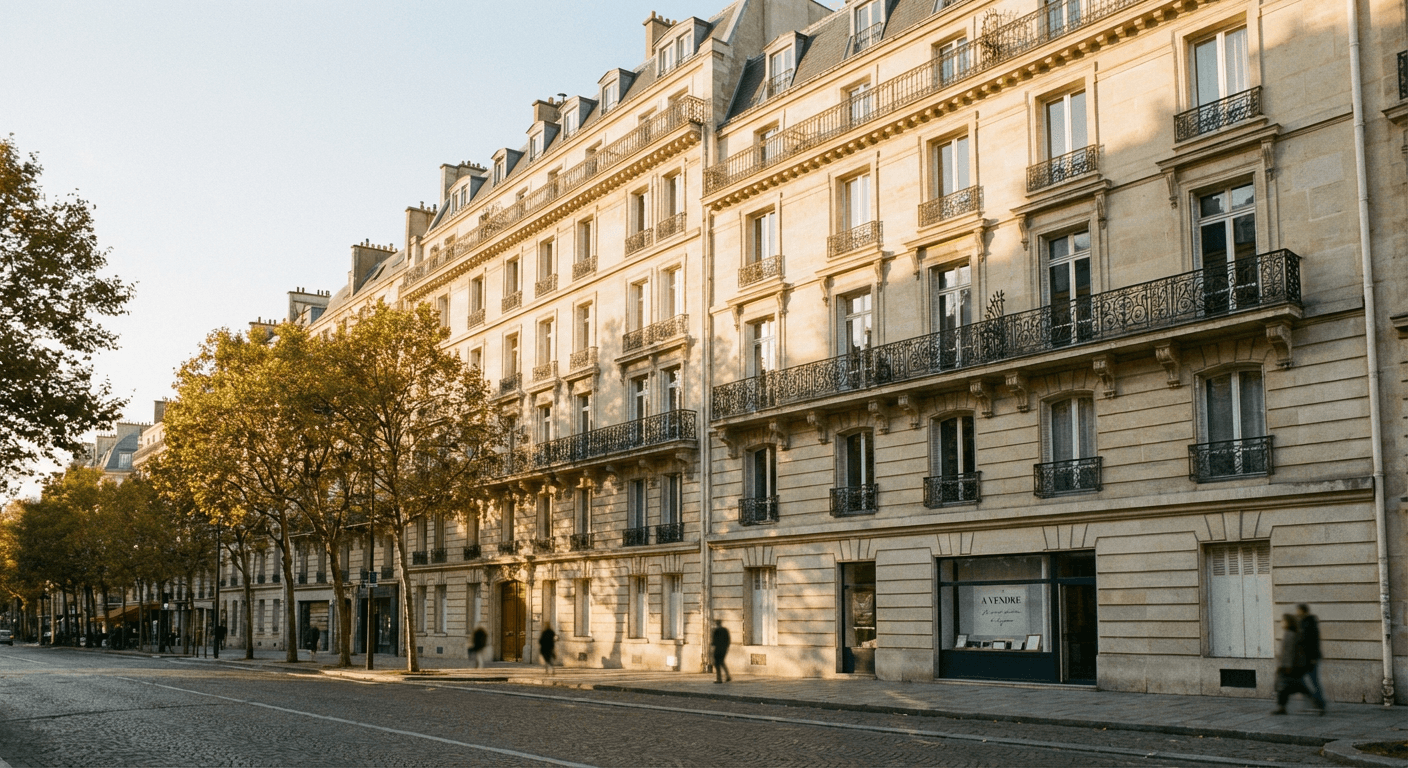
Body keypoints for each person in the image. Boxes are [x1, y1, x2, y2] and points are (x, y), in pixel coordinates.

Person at [1273, 613, 1316, 715]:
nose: (1281, 623)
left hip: (1290, 666)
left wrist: (1286, 666)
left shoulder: (1290, 634)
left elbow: (1289, 652)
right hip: (1289, 666)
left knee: (1290, 686)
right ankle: (1281, 707)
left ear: (1288, 622)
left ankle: (1314, 700)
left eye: (1283, 621)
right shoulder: (1290, 633)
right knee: (1286, 687)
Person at [1296, 604, 1327, 711]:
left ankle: (1320, 703)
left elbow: (1314, 641)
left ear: (1303, 611)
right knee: (1304, 681)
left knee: (1313, 681)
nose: (1297, 613)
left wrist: (1313, 657)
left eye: (1299, 611)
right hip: (1304, 658)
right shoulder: (1302, 622)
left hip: (1311, 658)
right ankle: (1315, 702)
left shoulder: (1310, 622)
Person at [711, 619, 732, 684]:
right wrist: (726, 647)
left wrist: (712, 646)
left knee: (717, 664)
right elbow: (728, 640)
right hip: (724, 649)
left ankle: (719, 679)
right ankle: (728, 676)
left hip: (718, 649)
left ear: (716, 623)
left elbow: (714, 641)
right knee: (722, 662)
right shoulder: (725, 630)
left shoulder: (716, 631)